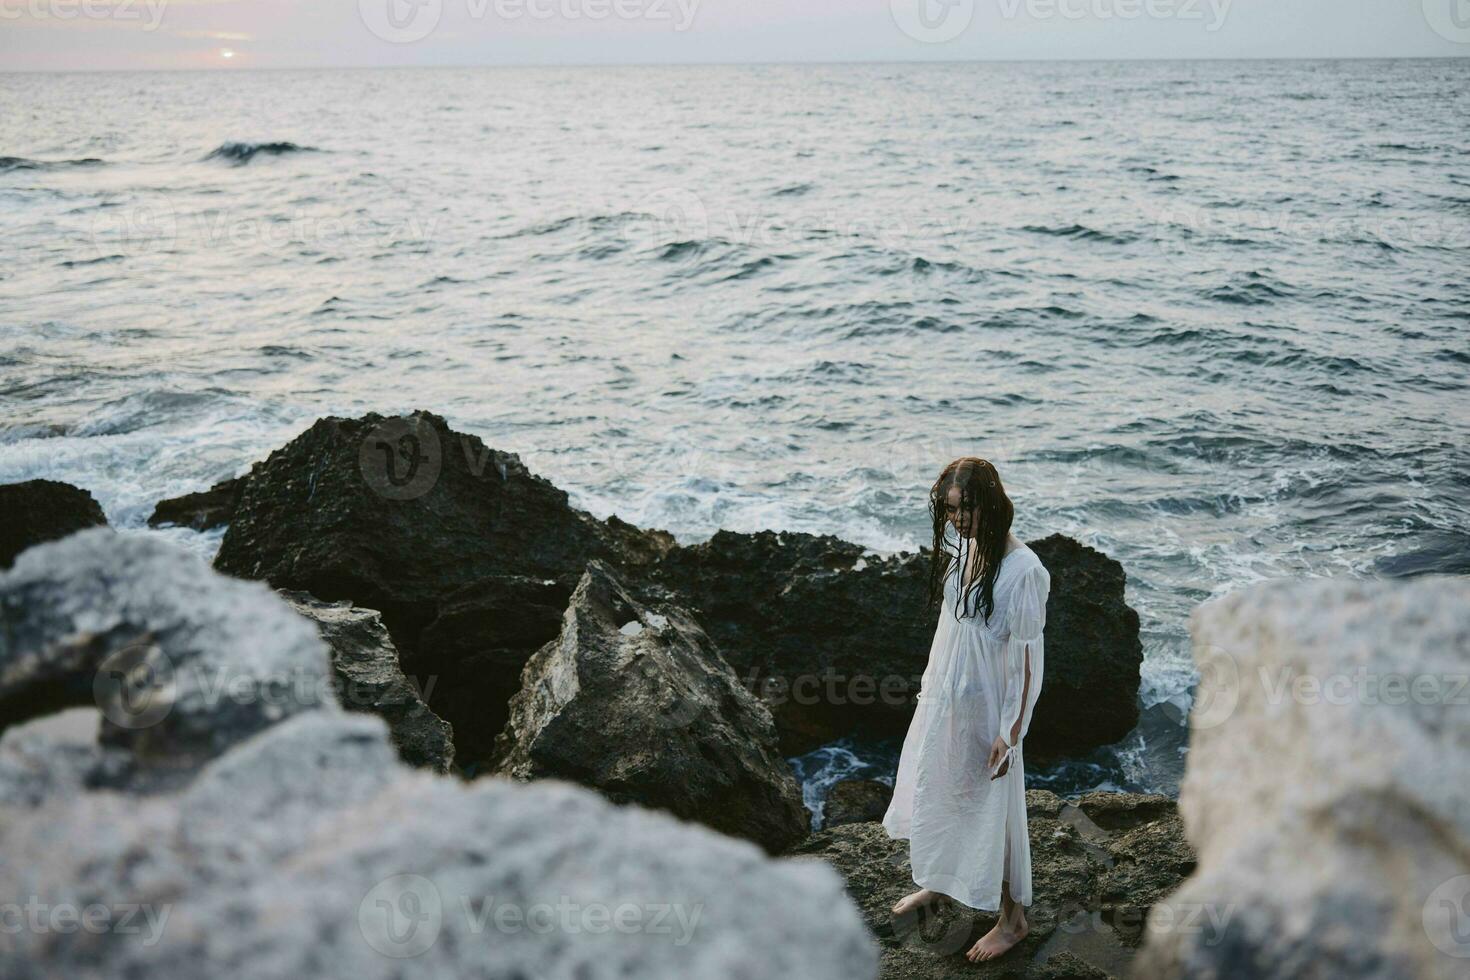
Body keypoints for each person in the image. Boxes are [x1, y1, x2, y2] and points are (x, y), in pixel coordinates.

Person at [881, 456, 1052, 963]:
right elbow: (950, 633)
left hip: (990, 710)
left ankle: (1012, 919)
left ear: (991, 503)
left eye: (965, 509)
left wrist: (1011, 732)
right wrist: (932, 691)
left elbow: (1026, 662)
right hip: (950, 698)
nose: (957, 520)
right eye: (950, 511)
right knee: (941, 786)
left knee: (991, 810)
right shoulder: (969, 551)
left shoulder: (1025, 571)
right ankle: (941, 880)